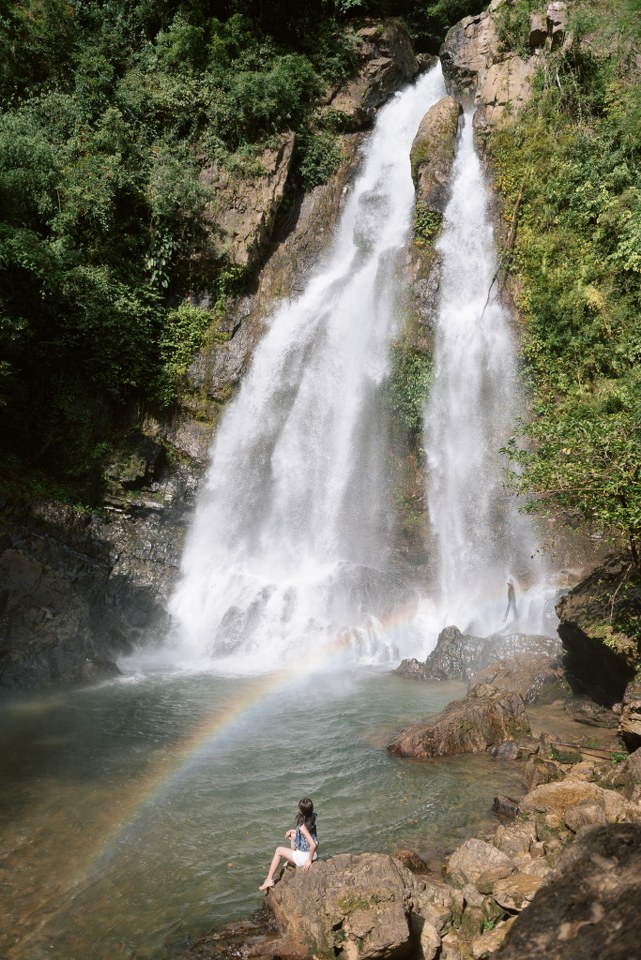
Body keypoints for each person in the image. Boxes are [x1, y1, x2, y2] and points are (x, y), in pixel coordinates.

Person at [259, 798, 318, 891]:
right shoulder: (312, 818)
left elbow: (313, 844)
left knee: (278, 850)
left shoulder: (302, 826)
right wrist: (292, 830)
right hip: (313, 853)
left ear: (301, 810)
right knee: (293, 835)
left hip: (305, 857)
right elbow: (307, 834)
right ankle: (291, 861)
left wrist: (309, 861)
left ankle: (268, 880)